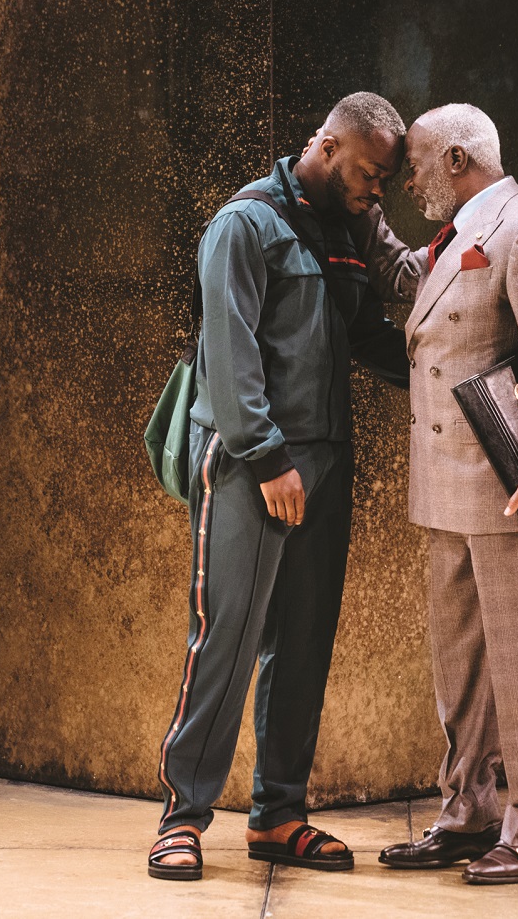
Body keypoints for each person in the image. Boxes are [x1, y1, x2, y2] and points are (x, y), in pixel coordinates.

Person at [147, 92, 410, 881]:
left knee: (302, 641)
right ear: (328, 147)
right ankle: (181, 816)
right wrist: (267, 460)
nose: (377, 192)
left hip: (325, 462)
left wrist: (445, 369)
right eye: (369, 174)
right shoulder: (244, 223)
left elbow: (365, 335)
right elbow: (229, 352)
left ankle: (278, 814)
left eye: (385, 180)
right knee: (224, 637)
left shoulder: (343, 233)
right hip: (249, 463)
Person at [350, 104, 518, 884]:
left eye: (417, 163)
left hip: (517, 492)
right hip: (447, 493)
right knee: (460, 672)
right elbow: (410, 281)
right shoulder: (455, 238)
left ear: (456, 158)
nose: (408, 179)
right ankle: (467, 812)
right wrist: (361, 209)